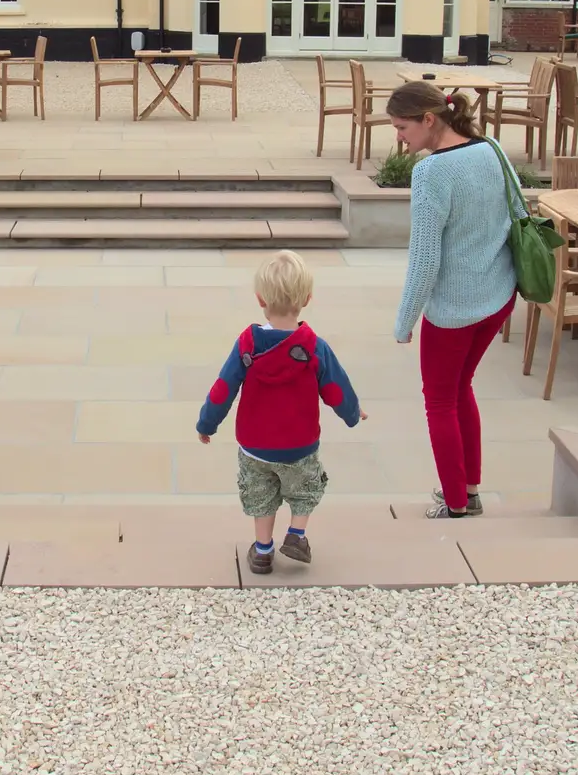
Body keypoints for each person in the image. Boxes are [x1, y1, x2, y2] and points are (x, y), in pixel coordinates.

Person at [387, 81, 519, 519]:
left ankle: (457, 503)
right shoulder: (492, 149)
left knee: (440, 401)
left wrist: (405, 321)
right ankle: (471, 489)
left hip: (455, 310)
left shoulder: (430, 172)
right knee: (462, 389)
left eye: (402, 126)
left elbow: (425, 259)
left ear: (430, 119)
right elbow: (518, 214)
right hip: (498, 296)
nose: (399, 136)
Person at [196, 250, 364, 574]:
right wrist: (353, 414)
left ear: (260, 299)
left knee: (261, 495)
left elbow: (223, 389)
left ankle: (262, 551)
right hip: (300, 445)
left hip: (255, 446)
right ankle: (297, 534)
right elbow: (335, 390)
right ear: (308, 298)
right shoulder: (315, 347)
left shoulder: (247, 344)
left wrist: (207, 424)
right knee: (305, 488)